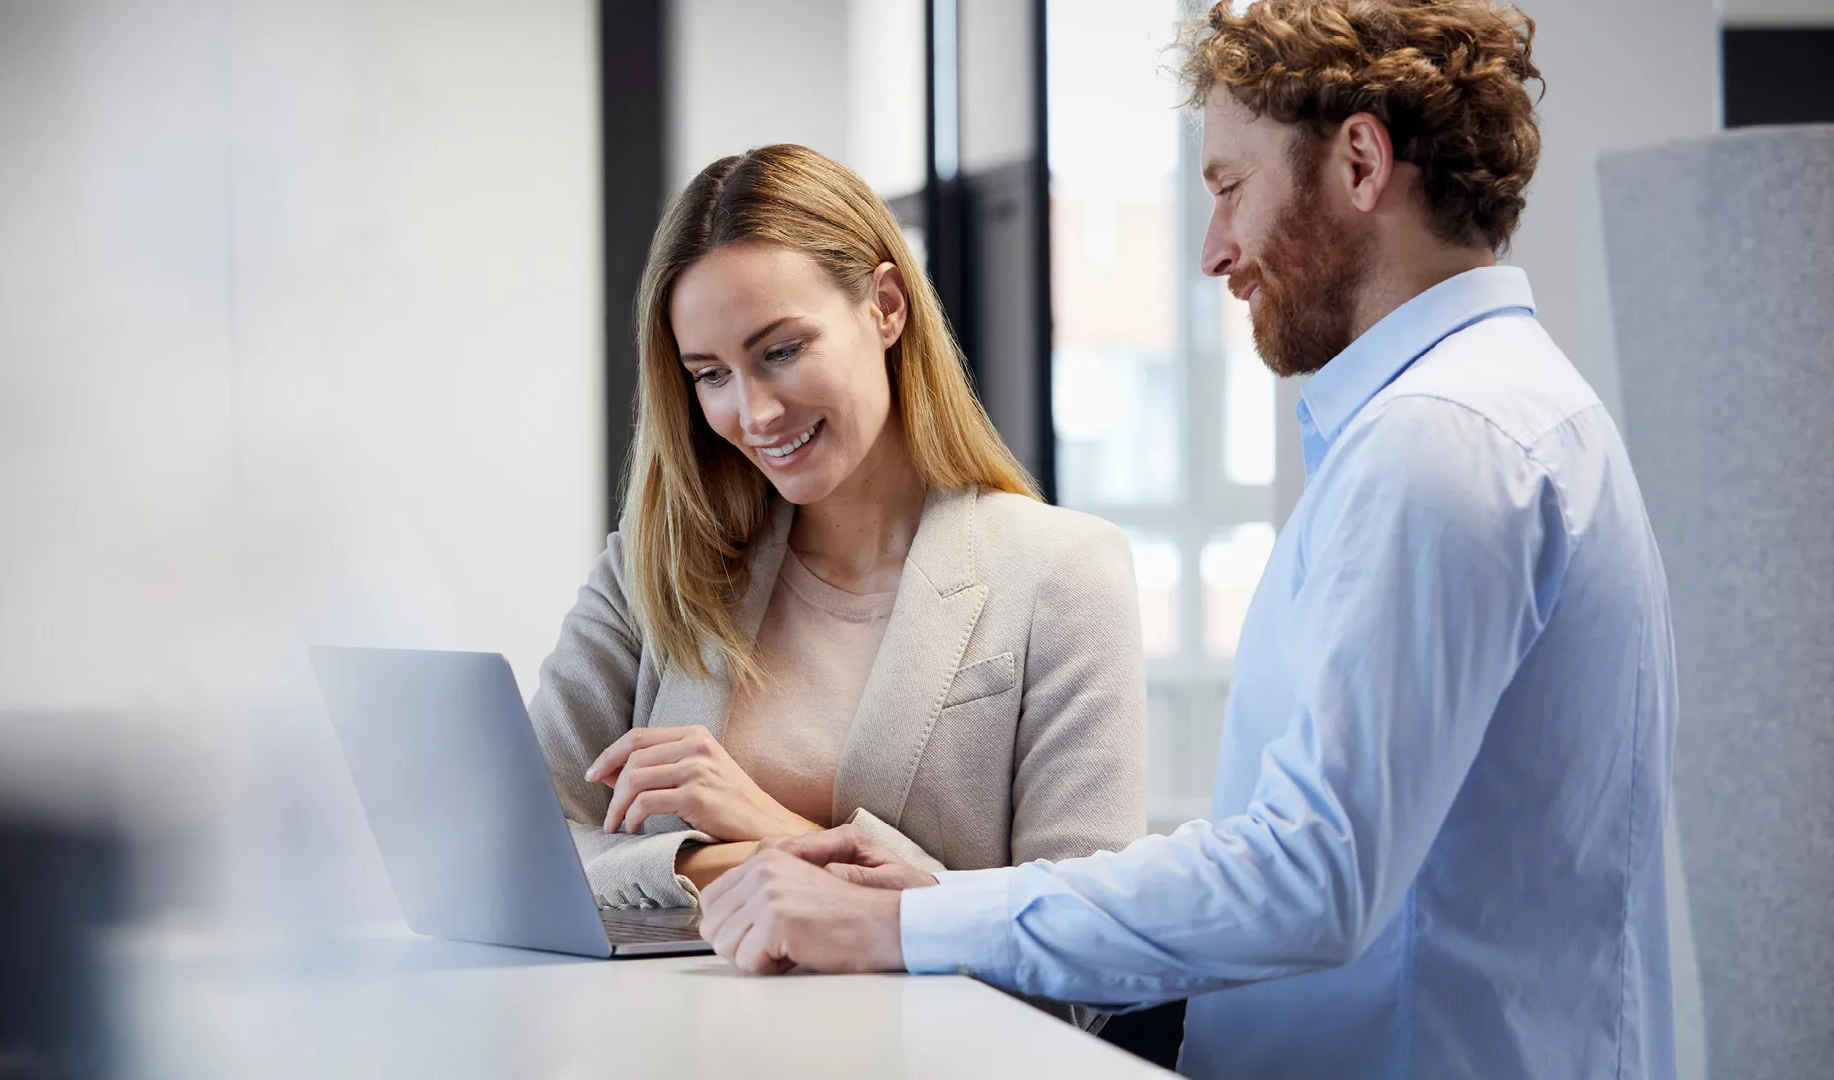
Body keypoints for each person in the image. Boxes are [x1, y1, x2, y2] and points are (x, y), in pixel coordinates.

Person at [695, 4, 1679, 1079]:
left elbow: (1310, 879)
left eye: (1227, 189)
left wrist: (897, 928)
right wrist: (934, 903)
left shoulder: (1438, 446)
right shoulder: (1515, 413)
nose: (1215, 251)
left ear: (1359, 162)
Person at [526, 145, 1147, 924]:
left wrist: (771, 827)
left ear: (886, 305)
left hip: (935, 1047)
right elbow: (519, 851)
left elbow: (1088, 936)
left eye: (780, 352)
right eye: (711, 374)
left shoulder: (1061, 573)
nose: (754, 416)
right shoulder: (651, 570)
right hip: (674, 1037)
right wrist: (720, 859)